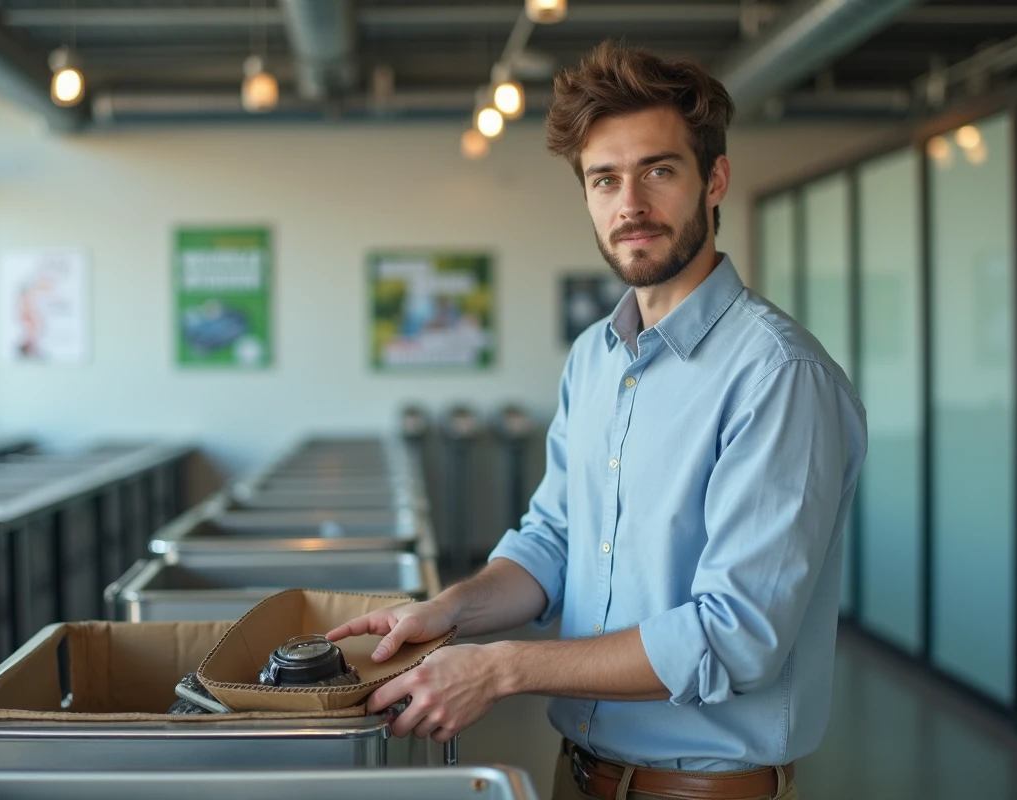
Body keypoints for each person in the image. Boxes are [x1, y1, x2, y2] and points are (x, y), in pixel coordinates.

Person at [328, 40, 867, 800]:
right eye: (604, 179)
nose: (631, 206)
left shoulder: (778, 376)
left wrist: (503, 668)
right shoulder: (595, 359)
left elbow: (734, 638)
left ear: (714, 180)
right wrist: (447, 613)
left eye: (659, 171)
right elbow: (552, 542)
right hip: (578, 774)